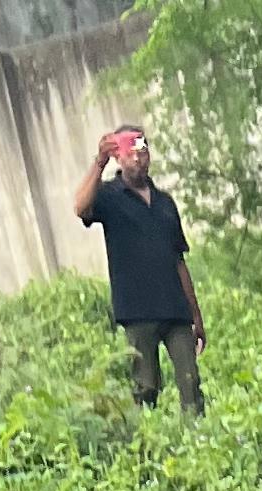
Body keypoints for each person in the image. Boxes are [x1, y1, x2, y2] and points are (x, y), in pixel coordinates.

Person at [74, 129, 204, 414]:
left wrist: (196, 315)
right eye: (131, 153)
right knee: (146, 387)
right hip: (137, 311)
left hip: (175, 310)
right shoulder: (108, 196)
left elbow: (179, 260)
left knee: (190, 380)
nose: (138, 159)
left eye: (142, 152)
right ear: (118, 157)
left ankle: (199, 439)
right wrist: (98, 163)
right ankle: (147, 443)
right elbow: (80, 207)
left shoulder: (165, 203)